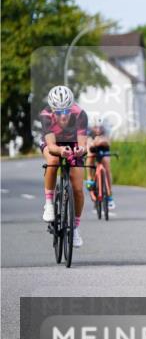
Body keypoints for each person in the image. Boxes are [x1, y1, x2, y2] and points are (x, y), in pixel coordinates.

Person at [38, 85, 88, 247]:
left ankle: (74, 228)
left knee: (78, 189)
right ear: (53, 111)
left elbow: (82, 144)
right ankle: (49, 204)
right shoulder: (46, 115)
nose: (63, 116)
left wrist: (80, 150)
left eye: (67, 111)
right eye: (59, 113)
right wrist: (60, 150)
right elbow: (51, 145)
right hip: (54, 143)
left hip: (73, 142)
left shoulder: (80, 114)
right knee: (53, 161)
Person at [85, 118, 115, 210]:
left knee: (106, 165)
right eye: (95, 128)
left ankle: (109, 195)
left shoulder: (106, 131)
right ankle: (90, 177)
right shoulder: (89, 132)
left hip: (104, 149)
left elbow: (108, 142)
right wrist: (94, 143)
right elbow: (89, 144)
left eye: (100, 128)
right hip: (93, 149)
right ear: (92, 128)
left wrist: (101, 142)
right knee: (90, 156)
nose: (98, 130)